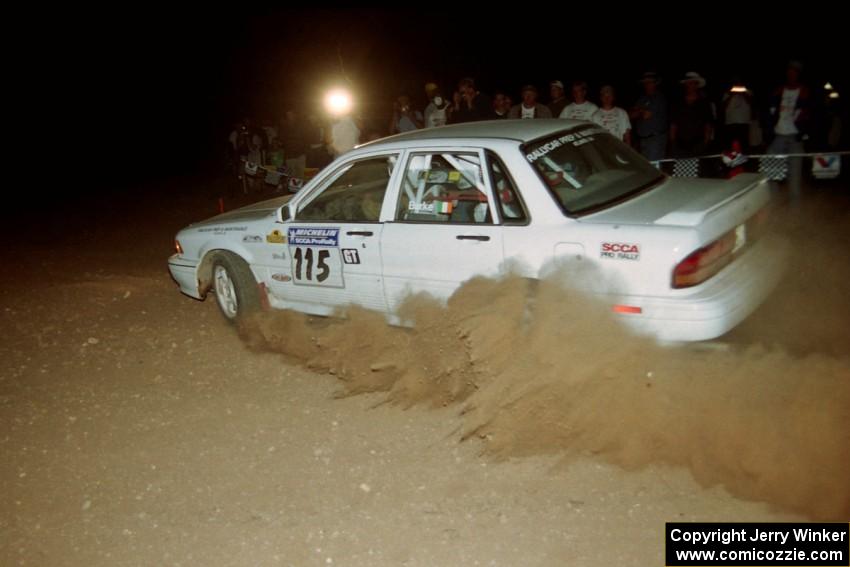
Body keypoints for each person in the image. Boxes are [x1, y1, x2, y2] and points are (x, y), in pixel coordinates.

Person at [767, 60, 811, 201]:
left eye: (794, 72)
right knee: (772, 166)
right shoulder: (779, 90)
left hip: (795, 135)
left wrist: (806, 132)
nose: (791, 74)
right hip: (779, 133)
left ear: (798, 74)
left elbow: (811, 113)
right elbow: (770, 111)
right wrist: (774, 114)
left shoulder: (804, 91)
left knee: (795, 170)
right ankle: (772, 199)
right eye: (789, 71)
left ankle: (795, 203)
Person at [670, 72, 713, 158]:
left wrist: (705, 142)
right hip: (680, 143)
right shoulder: (678, 102)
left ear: (697, 85)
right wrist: (672, 142)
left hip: (698, 143)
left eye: (692, 83)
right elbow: (673, 124)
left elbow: (708, 124)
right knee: (681, 168)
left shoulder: (704, 103)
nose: (689, 85)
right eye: (687, 83)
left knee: (696, 168)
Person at [630, 71, 668, 160]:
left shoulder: (659, 97)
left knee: (654, 167)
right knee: (647, 167)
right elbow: (631, 115)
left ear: (655, 83)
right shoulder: (642, 98)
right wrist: (642, 111)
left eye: (650, 82)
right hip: (643, 139)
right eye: (645, 82)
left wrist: (639, 110)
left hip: (655, 139)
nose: (647, 84)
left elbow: (646, 115)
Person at [720, 79, 754, 152]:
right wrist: (731, 94)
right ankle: (731, 159)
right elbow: (723, 106)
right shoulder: (728, 93)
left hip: (744, 121)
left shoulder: (748, 91)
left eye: (739, 83)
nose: (738, 85)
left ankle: (743, 159)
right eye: (736, 83)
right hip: (731, 121)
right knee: (731, 142)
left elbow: (751, 104)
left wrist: (743, 93)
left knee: (743, 142)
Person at [280, 109, 307, 180]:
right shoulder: (283, 126)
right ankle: (293, 191)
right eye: (288, 115)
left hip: (300, 153)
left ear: (295, 115)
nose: (290, 116)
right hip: (290, 154)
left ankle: (302, 190)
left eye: (291, 114)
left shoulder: (301, 125)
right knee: (291, 176)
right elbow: (282, 140)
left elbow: (305, 137)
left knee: (300, 174)